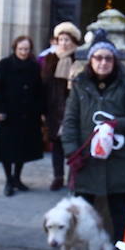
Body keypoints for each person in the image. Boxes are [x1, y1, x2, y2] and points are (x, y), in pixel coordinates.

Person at [60, 34, 125, 250]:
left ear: (114, 61)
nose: (103, 62)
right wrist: (72, 152)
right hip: (86, 162)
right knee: (82, 217)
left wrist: (115, 123)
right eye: (98, 57)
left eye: (108, 58)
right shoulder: (79, 86)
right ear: (91, 60)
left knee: (120, 218)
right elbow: (69, 122)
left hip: (119, 162)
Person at [0, 35, 44, 197]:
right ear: (15, 49)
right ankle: (8, 180)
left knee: (22, 149)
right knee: (7, 149)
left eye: (26, 49)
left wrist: (39, 110)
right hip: (8, 114)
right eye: (21, 49)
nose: (24, 52)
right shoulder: (5, 65)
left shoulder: (34, 66)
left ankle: (17, 178)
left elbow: (39, 90)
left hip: (27, 114)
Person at [41, 21, 82, 191]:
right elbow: (44, 84)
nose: (64, 43)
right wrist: (42, 109)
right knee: (56, 144)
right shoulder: (50, 59)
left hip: (71, 108)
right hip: (52, 108)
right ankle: (58, 176)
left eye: (67, 40)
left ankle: (74, 176)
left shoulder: (79, 59)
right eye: (61, 39)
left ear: (73, 41)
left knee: (73, 143)